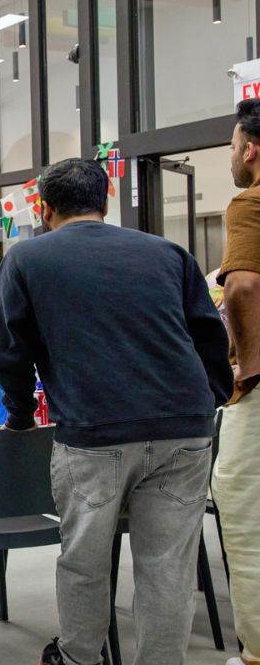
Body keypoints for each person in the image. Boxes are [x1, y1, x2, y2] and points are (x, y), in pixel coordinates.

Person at [0, 158, 232, 665]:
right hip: (184, 428)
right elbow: (209, 332)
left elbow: (11, 350)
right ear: (106, 202)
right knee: (168, 567)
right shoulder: (168, 252)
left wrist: (20, 416)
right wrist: (210, 396)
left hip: (94, 432)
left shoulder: (27, 258)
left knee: (85, 560)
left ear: (44, 208)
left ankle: (78, 658)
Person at [215, 98, 260, 665]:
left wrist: (245, 372)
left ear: (250, 150)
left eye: (230, 146)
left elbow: (243, 287)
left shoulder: (249, 203)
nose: (230, 157)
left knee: (244, 508)